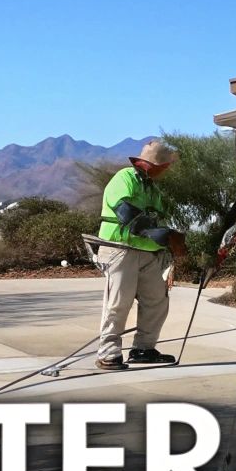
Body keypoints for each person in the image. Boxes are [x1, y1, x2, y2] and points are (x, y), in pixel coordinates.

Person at [95, 139, 187, 370]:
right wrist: (166, 236)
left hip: (148, 252)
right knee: (119, 302)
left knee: (156, 301)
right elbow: (127, 214)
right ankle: (108, 353)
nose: (167, 170)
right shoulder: (124, 178)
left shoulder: (152, 189)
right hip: (120, 249)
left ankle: (144, 349)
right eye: (165, 166)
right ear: (155, 165)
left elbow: (154, 220)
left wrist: (169, 240)